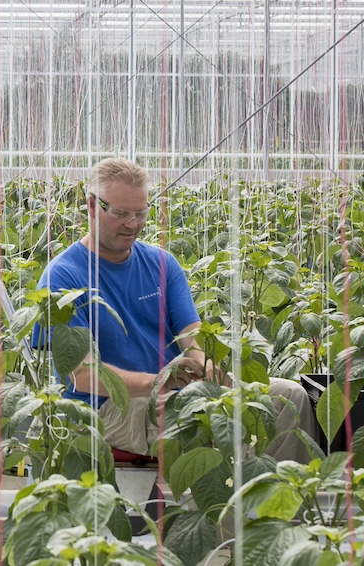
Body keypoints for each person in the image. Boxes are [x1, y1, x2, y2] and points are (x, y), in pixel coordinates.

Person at [32, 157, 315, 462]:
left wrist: (207, 369)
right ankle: (222, 502)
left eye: (141, 213)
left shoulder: (162, 264)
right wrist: (158, 384)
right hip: (107, 405)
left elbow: (193, 339)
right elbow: (81, 375)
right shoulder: (63, 276)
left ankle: (276, 500)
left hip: (172, 393)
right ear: (91, 205)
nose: (133, 224)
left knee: (289, 397)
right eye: (120, 213)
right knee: (201, 420)